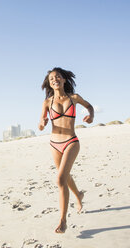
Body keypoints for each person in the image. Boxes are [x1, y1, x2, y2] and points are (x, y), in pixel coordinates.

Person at [38, 67, 94, 233]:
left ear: (63, 80)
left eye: (57, 77)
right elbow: (41, 121)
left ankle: (63, 221)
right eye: (51, 79)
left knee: (60, 179)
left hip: (71, 142)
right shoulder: (47, 102)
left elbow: (89, 106)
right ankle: (79, 196)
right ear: (50, 83)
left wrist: (91, 115)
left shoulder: (74, 98)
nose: (54, 79)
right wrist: (42, 123)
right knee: (65, 176)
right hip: (54, 144)